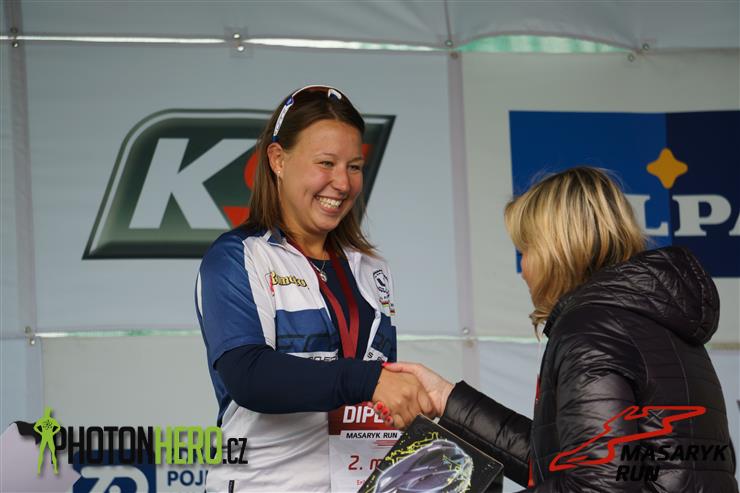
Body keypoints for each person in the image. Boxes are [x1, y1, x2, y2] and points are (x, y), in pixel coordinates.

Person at [386, 167, 738, 492]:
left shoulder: (594, 331)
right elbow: (571, 462)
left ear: (555, 250)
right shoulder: (656, 320)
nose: (524, 269)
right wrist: (447, 399)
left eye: (525, 251)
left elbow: (596, 486)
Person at [195, 85, 432, 492]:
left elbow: (377, 397)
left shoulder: (371, 268)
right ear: (278, 159)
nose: (342, 183)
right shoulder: (240, 256)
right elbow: (249, 376)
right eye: (326, 163)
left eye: (354, 166)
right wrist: (368, 380)